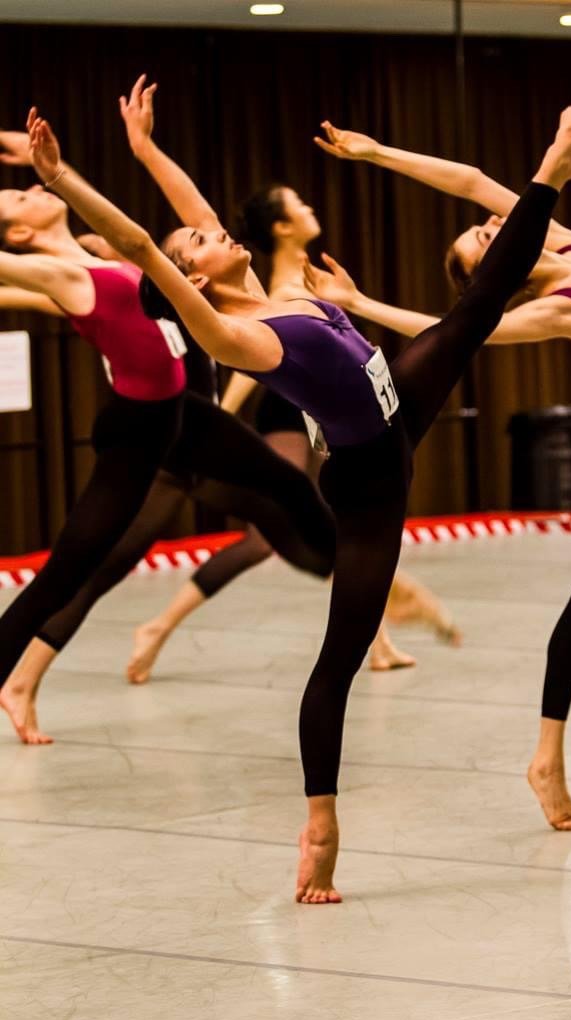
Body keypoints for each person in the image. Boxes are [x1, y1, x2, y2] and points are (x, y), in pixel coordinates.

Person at [28, 98, 571, 901]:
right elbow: (139, 246)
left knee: (472, 313)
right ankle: (321, 825)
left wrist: (146, 147)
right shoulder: (236, 336)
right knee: (340, 656)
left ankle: (551, 166)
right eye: (199, 242)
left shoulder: (266, 286)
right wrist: (63, 178)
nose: (213, 229)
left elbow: (188, 217)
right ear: (192, 278)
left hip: (399, 404)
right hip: (366, 479)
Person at [312, 112, 571, 834]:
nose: (488, 224)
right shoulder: (561, 311)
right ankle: (546, 759)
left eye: (485, 227)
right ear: (490, 271)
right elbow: (452, 331)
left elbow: (470, 179)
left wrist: (375, 150)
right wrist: (358, 305)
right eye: (479, 239)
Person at [0, 128, 335, 746]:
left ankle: (352, 564)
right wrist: (57, 173)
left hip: (186, 416)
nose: (26, 192)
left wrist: (68, 164)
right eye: (16, 200)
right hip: (138, 434)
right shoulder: (62, 273)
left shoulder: (107, 253)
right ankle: (14, 680)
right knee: (70, 571)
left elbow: (156, 231)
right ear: (19, 233)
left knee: (284, 481)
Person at [121, 76, 457, 683]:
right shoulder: (248, 279)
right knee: (278, 531)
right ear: (278, 226)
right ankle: (161, 625)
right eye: (296, 205)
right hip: (294, 402)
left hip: (329, 396)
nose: (309, 208)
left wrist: (146, 149)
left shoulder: (263, 265)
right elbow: (241, 338)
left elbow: (200, 222)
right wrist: (225, 414)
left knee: (324, 527)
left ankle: (373, 635)